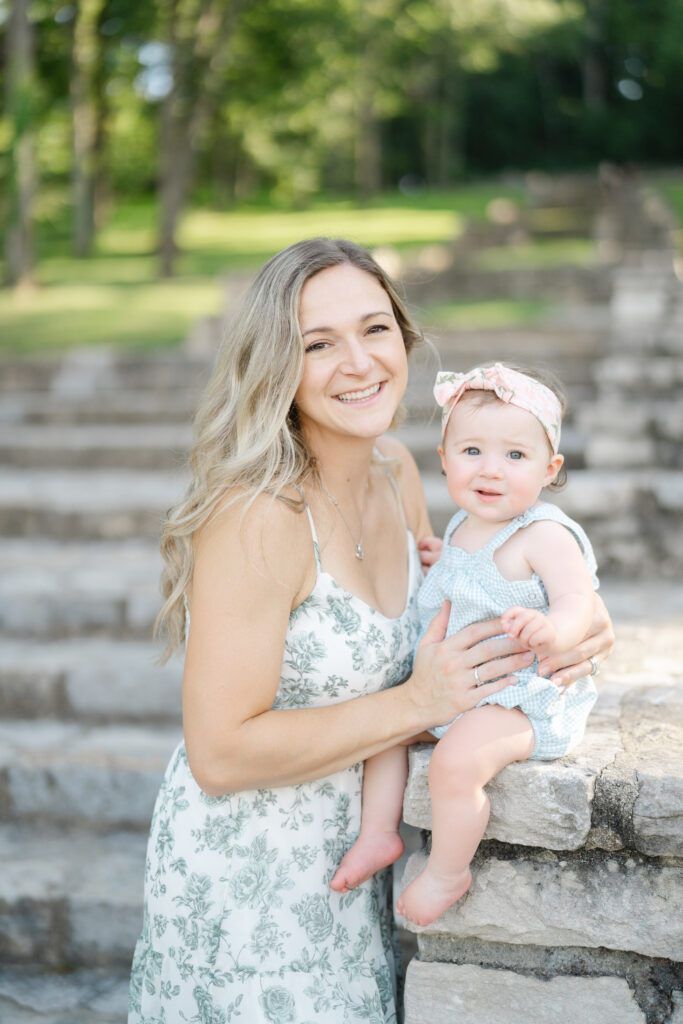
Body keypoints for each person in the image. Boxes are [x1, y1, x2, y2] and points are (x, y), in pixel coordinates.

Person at [128, 242, 614, 1023]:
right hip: (251, 882)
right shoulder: (257, 517)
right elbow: (218, 755)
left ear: (404, 339)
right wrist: (418, 699)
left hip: (359, 867)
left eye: (375, 330)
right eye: (318, 343)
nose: (358, 362)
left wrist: (577, 621)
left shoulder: (393, 470)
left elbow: (466, 596)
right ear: (275, 365)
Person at [331, 361, 601, 929]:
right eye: (472, 451)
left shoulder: (544, 534)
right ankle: (379, 834)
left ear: (550, 469)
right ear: (445, 459)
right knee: (386, 727)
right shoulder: (461, 525)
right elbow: (468, 574)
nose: (491, 470)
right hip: (462, 688)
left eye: (515, 456)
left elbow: (579, 602)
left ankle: (450, 872)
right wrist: (440, 560)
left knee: (456, 764)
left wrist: (552, 631)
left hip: (520, 696)